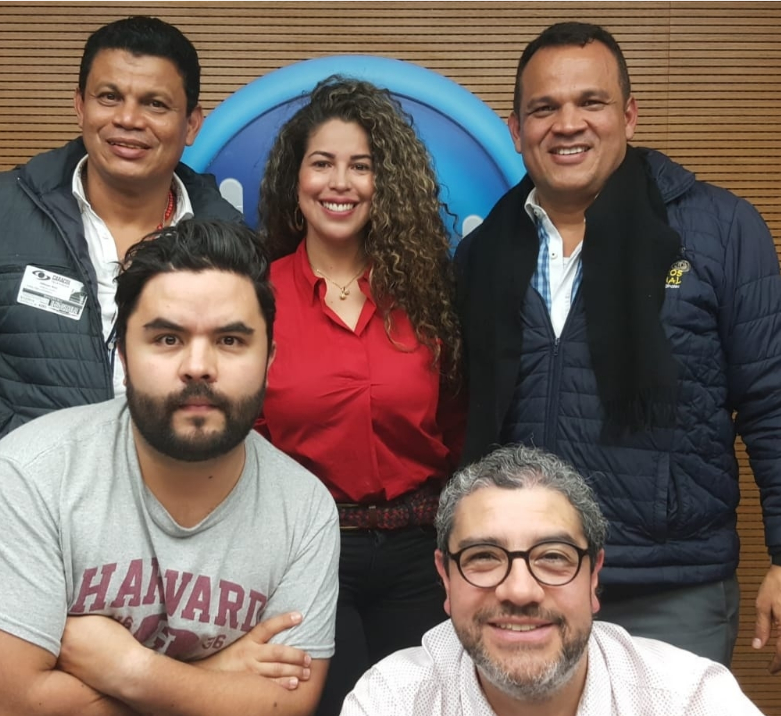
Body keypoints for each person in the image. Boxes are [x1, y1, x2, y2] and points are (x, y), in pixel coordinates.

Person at [454, 21, 781, 672]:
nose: (567, 124)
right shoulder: (482, 254)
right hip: (526, 586)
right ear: (516, 131)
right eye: (544, 108)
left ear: (628, 115)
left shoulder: (718, 230)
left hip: (670, 588)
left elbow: (778, 402)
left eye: (590, 102)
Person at [0, 219, 339, 716]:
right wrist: (218, 675)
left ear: (269, 359)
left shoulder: (304, 509)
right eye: (167, 339)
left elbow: (286, 703)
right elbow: (8, 707)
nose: (198, 366)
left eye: (230, 340)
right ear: (122, 355)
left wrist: (130, 669)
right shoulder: (26, 476)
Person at [0, 16, 243, 553]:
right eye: (109, 97)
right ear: (80, 105)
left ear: (191, 124)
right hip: (23, 513)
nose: (128, 119)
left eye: (155, 104)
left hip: (183, 519)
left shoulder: (229, 238)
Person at [256, 76, 465, 715]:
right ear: (295, 180)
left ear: (385, 182)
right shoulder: (255, 296)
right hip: (304, 555)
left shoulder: (431, 296)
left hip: (420, 554)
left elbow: (460, 426)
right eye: (322, 163)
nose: (340, 183)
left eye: (361, 166)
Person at [341, 445, 766, 715]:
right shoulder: (392, 701)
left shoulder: (689, 700)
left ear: (594, 576)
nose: (520, 590)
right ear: (446, 579)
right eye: (483, 557)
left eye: (553, 558)